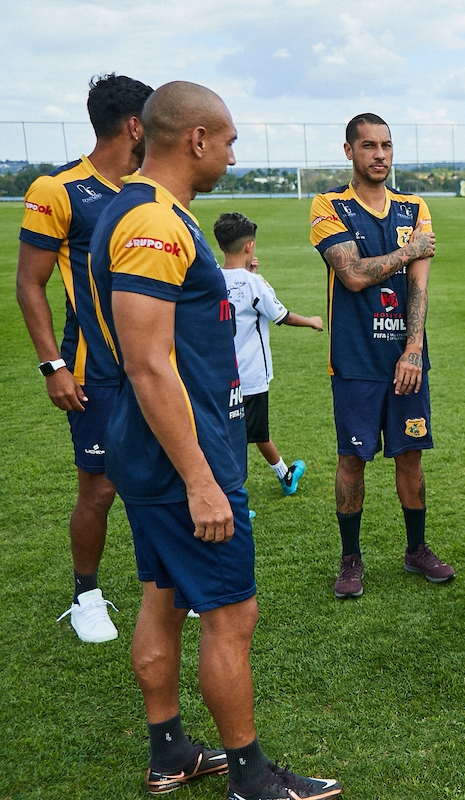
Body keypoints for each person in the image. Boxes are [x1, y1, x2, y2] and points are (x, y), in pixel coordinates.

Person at [86, 81, 341, 799]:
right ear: (195, 139)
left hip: (163, 452)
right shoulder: (151, 223)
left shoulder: (157, 214)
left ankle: (169, 751)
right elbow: (147, 361)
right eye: (227, 140)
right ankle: (252, 779)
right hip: (180, 459)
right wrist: (201, 476)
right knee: (231, 615)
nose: (232, 153)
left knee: (162, 596)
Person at [16, 73, 153, 644]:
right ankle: (86, 595)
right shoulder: (59, 189)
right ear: (136, 126)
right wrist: (54, 365)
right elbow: (30, 284)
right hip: (95, 371)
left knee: (162, 477)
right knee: (98, 489)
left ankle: (168, 585)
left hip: (156, 365)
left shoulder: (151, 189)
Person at [310, 113, 452, 599]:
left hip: (406, 361)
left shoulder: (415, 207)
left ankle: (416, 549)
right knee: (353, 459)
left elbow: (420, 285)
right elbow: (351, 275)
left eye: (387, 145)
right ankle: (351, 558)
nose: (380, 155)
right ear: (349, 151)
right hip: (354, 359)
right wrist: (409, 250)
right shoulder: (328, 205)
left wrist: (413, 349)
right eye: (369, 145)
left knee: (410, 456)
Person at [215, 212, 323, 496]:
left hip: (221, 374)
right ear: (250, 245)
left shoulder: (212, 277)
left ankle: (285, 475)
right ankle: (232, 497)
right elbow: (280, 315)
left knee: (240, 431)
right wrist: (312, 321)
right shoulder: (254, 284)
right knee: (249, 434)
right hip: (250, 376)